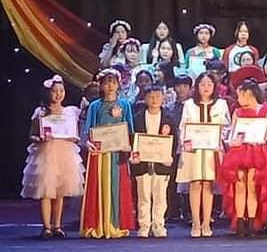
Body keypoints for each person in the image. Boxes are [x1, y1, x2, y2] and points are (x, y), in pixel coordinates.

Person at [21, 75, 84, 238]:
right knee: (46, 191)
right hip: (46, 153)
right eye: (55, 91)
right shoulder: (40, 112)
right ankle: (47, 227)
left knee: (60, 192)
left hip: (65, 153)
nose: (58, 94)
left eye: (61, 91)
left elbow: (74, 133)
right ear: (48, 93)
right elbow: (32, 135)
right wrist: (39, 138)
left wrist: (73, 137)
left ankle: (57, 225)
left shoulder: (69, 112)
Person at [81, 68, 135, 238]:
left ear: (119, 85)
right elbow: (88, 130)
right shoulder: (95, 106)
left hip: (118, 153)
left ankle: (115, 224)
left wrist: (129, 145)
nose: (110, 86)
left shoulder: (125, 105)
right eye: (106, 83)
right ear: (101, 86)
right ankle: (98, 224)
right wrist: (88, 143)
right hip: (100, 153)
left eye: (113, 82)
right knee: (100, 186)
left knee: (117, 188)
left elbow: (130, 129)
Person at [220, 81, 267, 236]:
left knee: (252, 185)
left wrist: (260, 138)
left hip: (257, 150)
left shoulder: (266, 109)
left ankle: (252, 221)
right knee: (240, 184)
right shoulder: (238, 112)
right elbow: (233, 131)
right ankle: (240, 220)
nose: (238, 99)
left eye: (240, 95)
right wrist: (234, 141)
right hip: (240, 151)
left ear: (248, 94)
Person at [177, 72, 230, 237]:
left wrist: (218, 138)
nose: (206, 87)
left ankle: (206, 222)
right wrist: (186, 142)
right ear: (197, 87)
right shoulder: (189, 105)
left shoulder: (221, 104)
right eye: (202, 84)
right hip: (193, 150)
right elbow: (183, 127)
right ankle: (196, 222)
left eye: (209, 84)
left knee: (208, 184)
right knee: (195, 183)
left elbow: (226, 127)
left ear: (214, 87)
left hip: (212, 149)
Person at [130, 84, 175, 237]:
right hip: (142, 163)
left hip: (162, 164)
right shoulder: (137, 118)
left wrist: (170, 157)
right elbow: (133, 139)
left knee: (160, 197)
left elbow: (174, 140)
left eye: (157, 96)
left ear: (163, 98)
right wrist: (134, 155)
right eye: (151, 96)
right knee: (143, 196)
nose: (154, 100)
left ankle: (158, 225)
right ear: (145, 98)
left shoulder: (169, 118)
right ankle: (144, 225)